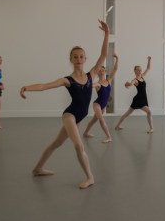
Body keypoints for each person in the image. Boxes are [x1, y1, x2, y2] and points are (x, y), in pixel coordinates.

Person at [20, 20, 109, 189]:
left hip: (80, 115)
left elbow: (103, 55)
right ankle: (90, 177)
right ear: (71, 59)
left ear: (85, 58)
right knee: (78, 145)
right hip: (71, 115)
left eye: (81, 56)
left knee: (56, 143)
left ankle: (38, 168)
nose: (78, 59)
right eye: (75, 56)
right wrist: (27, 88)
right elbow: (45, 86)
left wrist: (106, 34)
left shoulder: (91, 75)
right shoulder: (67, 80)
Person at [83, 53, 119, 143]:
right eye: (99, 70)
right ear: (98, 73)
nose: (101, 71)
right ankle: (109, 137)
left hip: (103, 105)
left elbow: (115, 69)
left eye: (103, 70)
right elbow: (92, 85)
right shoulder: (98, 84)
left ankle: (85, 133)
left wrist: (117, 59)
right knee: (101, 120)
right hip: (97, 104)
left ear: (105, 71)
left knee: (93, 121)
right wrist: (86, 83)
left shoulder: (109, 80)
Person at [114, 56, 154, 133]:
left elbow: (148, 68)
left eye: (140, 70)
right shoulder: (135, 80)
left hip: (143, 98)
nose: (139, 71)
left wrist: (149, 60)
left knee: (129, 113)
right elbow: (130, 84)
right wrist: (128, 84)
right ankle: (151, 128)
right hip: (138, 99)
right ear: (135, 71)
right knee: (147, 112)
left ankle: (117, 126)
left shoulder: (142, 76)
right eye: (138, 70)